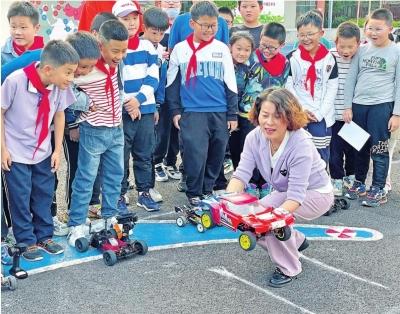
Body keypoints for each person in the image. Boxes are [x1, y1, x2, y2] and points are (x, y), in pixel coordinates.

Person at [227, 87, 333, 287]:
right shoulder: (254, 137)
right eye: (264, 115)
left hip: (316, 194)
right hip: (286, 193)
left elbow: (295, 196)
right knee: (250, 218)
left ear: (289, 117)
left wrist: (272, 219)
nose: (269, 122)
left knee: (269, 222)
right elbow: (241, 174)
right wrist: (227, 201)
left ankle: (289, 267)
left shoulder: (301, 143)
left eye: (277, 116)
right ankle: (295, 239)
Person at [1, 40, 79, 261]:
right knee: (20, 197)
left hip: (43, 151)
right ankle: (26, 240)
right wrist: (3, 150)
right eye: (68, 73)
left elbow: (60, 114)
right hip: (15, 153)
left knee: (44, 194)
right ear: (48, 69)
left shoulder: (59, 85)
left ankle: (44, 235)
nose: (71, 78)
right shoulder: (15, 81)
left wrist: (56, 151)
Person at [167, 1, 238, 206]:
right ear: (192, 23)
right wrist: (175, 110)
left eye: (213, 25)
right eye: (204, 25)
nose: (209, 30)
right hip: (192, 112)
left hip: (220, 111)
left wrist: (232, 114)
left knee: (216, 155)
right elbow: (171, 82)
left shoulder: (222, 49)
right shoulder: (180, 50)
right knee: (194, 155)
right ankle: (194, 193)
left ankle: (208, 190)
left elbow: (230, 82)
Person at [67, 20, 129, 247]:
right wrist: (85, 101)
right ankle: (76, 224)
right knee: (86, 178)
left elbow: (119, 89)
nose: (120, 55)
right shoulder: (85, 66)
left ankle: (108, 217)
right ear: (100, 45)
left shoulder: (117, 64)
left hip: (116, 129)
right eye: (115, 50)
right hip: (93, 130)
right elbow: (65, 87)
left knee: (115, 177)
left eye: (124, 50)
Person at [343, 8, 400, 207]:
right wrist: (347, 106)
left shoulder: (397, 51)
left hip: (381, 107)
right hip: (359, 106)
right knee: (360, 147)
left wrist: (397, 114)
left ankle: (378, 188)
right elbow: (351, 79)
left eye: (378, 29)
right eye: (370, 28)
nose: (373, 32)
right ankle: (359, 183)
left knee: (379, 148)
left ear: (390, 29)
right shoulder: (363, 50)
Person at [113, 0, 161, 212]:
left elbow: (153, 77)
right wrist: (127, 104)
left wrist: (138, 101)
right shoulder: (113, 47)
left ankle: (144, 192)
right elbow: (114, 80)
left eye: (134, 18)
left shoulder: (147, 46)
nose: (131, 23)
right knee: (120, 155)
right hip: (122, 111)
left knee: (144, 153)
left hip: (145, 108)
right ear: (116, 21)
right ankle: (120, 193)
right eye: (125, 19)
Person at [232, 22, 290, 198]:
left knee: (268, 150)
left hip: (271, 116)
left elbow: (283, 87)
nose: (266, 50)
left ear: (282, 45)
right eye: (263, 45)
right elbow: (239, 85)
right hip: (247, 114)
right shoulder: (251, 58)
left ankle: (264, 182)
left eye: (272, 48)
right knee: (246, 150)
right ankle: (248, 182)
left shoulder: (285, 63)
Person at [285, 11, 338, 164]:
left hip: (321, 116)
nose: (306, 39)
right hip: (298, 113)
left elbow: (331, 89)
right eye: (302, 35)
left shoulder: (329, 59)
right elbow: (289, 86)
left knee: (320, 156)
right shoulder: (292, 57)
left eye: (310, 34)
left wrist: (320, 113)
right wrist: (301, 110)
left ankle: (319, 186)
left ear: (321, 33)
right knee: (296, 153)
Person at [143, 8, 179, 186]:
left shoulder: (164, 47)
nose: (157, 36)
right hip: (142, 102)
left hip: (160, 98)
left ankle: (161, 165)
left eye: (161, 33)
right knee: (145, 144)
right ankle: (152, 169)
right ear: (145, 28)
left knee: (165, 133)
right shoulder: (139, 47)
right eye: (153, 32)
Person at [328, 22, 360, 196]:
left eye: (350, 47)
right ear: (335, 42)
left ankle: (351, 178)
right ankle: (337, 179)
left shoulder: (361, 56)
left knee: (354, 150)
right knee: (335, 151)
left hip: (354, 115)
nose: (346, 51)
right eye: (342, 46)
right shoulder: (330, 56)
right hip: (334, 115)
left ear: (358, 43)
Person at [1, 1, 43, 65]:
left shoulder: (46, 55)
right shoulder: (2, 55)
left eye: (23, 27)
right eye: (13, 27)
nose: (17, 32)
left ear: (36, 28)